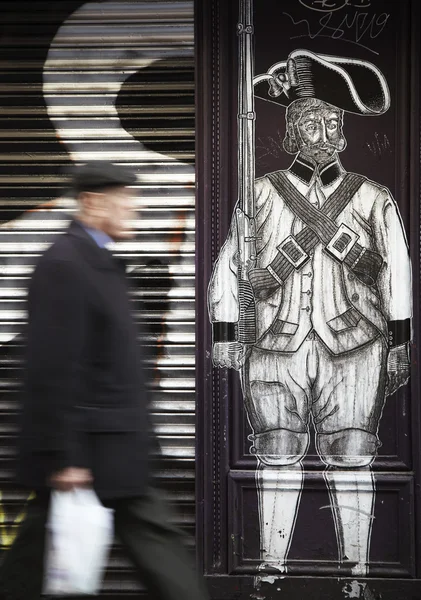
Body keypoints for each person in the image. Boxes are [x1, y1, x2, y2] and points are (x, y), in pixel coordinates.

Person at [208, 50, 412, 576]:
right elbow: (231, 264)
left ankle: (356, 574)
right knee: (276, 452)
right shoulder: (259, 195)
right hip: (274, 347)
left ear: (343, 134)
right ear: (291, 134)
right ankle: (270, 571)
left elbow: (398, 274)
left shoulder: (373, 197)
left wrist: (401, 343)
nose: (319, 132)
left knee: (352, 453)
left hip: (357, 350)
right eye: (307, 123)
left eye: (329, 123)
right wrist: (227, 332)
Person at [0, 161, 208, 600]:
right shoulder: (65, 264)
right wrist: (67, 456)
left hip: (113, 448)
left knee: (30, 566)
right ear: (93, 203)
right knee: (161, 559)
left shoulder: (96, 260)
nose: (134, 207)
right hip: (93, 453)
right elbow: (52, 369)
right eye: (124, 198)